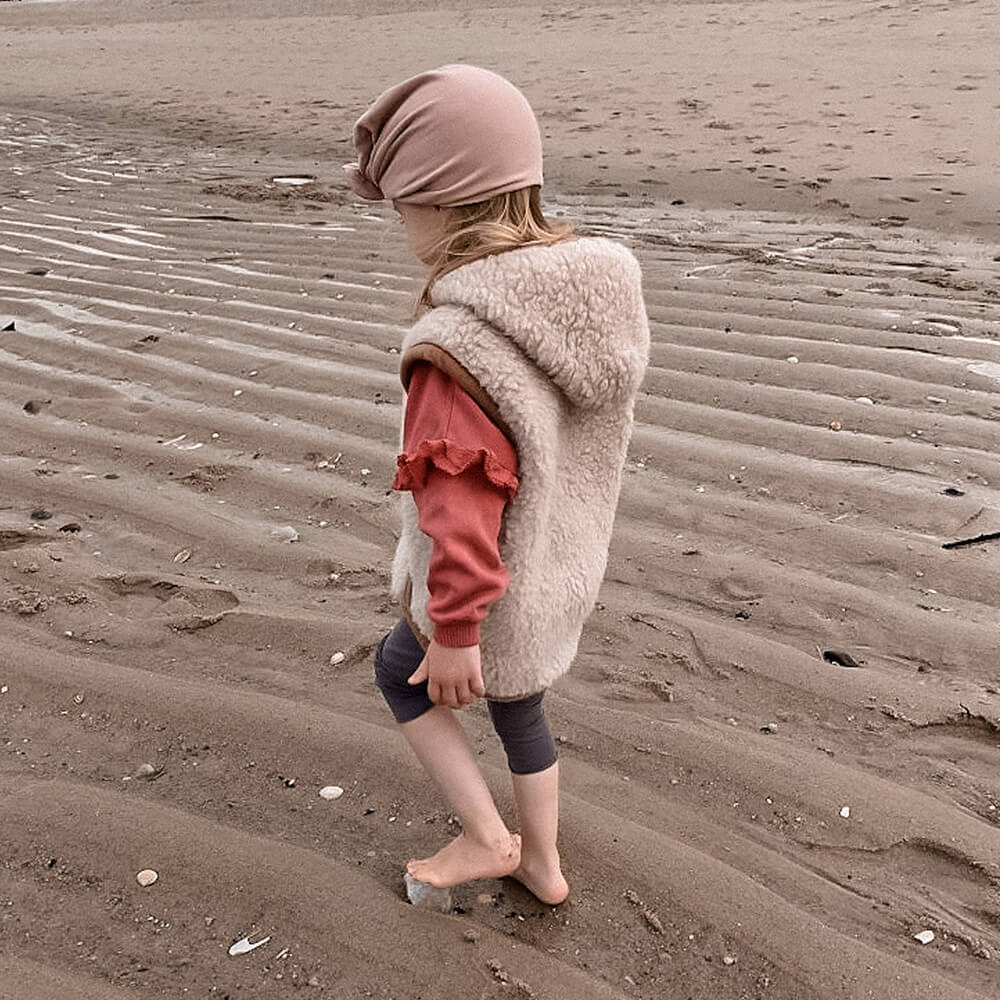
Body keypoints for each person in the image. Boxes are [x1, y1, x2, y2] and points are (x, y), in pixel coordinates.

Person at [345, 64, 649, 906]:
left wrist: (455, 627)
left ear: (443, 201)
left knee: (396, 673)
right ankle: (542, 866)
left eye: (404, 205)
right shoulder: (584, 299)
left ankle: (486, 837)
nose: (401, 222)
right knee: (522, 710)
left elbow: (460, 502)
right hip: (556, 570)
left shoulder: (460, 347)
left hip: (484, 594)